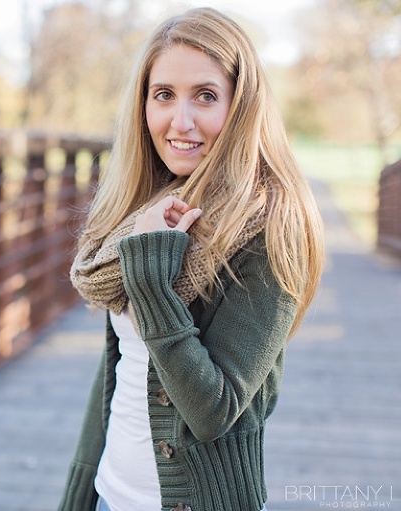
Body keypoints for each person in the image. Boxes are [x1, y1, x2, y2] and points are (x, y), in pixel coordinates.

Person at [59, 7, 324, 511]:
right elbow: (120, 373)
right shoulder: (146, 207)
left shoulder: (271, 225)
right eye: (164, 95)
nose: (181, 122)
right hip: (110, 496)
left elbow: (214, 411)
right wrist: (79, 493)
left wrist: (152, 283)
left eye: (205, 96)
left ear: (241, 105)